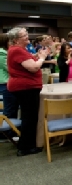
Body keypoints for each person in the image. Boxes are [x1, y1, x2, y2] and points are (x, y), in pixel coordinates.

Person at [7, 27, 48, 156]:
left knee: (28, 116)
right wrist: (42, 58)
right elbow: (34, 67)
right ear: (16, 40)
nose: (27, 37)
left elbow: (27, 62)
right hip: (26, 88)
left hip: (25, 87)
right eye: (24, 35)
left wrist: (36, 56)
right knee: (29, 117)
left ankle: (26, 144)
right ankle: (25, 147)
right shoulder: (17, 50)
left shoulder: (19, 50)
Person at [0, 34, 19, 120]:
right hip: (5, 84)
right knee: (9, 111)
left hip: (8, 84)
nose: (11, 43)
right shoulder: (2, 54)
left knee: (12, 109)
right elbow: (10, 68)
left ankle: (11, 131)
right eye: (9, 41)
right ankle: (7, 132)